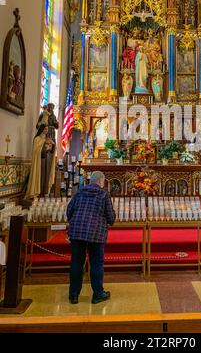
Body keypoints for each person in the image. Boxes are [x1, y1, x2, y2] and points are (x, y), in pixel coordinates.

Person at [67, 171, 116, 305]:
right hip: (95, 232)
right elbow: (111, 218)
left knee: (76, 263)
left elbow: (69, 211)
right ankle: (98, 294)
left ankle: (73, 295)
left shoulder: (79, 192)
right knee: (96, 264)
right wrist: (112, 218)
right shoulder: (104, 194)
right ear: (101, 181)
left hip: (77, 231)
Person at [25, 124, 56, 199]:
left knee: (46, 178)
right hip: (40, 162)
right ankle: (37, 194)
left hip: (47, 162)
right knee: (40, 177)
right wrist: (45, 147)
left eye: (47, 129)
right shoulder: (37, 139)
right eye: (45, 129)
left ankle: (44, 194)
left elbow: (52, 151)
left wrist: (53, 146)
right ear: (41, 129)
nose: (46, 131)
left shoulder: (48, 139)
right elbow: (36, 151)